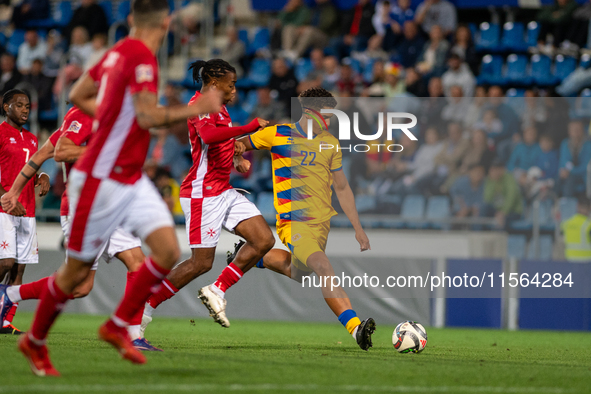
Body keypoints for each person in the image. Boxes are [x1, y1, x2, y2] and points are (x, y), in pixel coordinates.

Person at [15, 0, 222, 376]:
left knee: (166, 250)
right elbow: (148, 116)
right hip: (99, 178)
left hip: (129, 176)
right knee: (76, 274)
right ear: (167, 21)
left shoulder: (114, 54)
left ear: (130, 19)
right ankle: (34, 340)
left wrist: (113, 116)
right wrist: (196, 108)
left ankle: (118, 324)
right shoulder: (142, 57)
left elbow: (78, 94)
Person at [0, 105, 158, 351]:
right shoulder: (82, 114)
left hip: (109, 204)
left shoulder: (111, 114)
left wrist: (14, 190)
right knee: (79, 286)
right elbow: (59, 152)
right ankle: (11, 294)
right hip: (82, 208)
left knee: (137, 263)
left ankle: (133, 335)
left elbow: (40, 155)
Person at [231, 87, 375, 351]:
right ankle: (355, 327)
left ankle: (252, 255)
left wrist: (359, 228)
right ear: (310, 112)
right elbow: (238, 143)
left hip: (322, 224)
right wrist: (238, 155)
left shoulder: (330, 143)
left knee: (299, 271)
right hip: (294, 222)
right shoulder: (278, 133)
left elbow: (342, 188)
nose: (331, 121)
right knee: (323, 266)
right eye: (328, 115)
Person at [141, 59, 274, 335]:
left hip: (222, 189)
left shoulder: (220, 107)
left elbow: (219, 143)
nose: (234, 90)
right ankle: (145, 307)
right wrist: (247, 128)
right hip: (203, 193)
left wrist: (235, 156)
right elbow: (210, 136)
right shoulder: (197, 104)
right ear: (214, 83)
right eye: (231, 84)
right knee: (200, 262)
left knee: (264, 239)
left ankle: (217, 289)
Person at [0, 90, 50, 334]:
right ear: (5, 106)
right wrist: (6, 199)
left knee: (19, 268)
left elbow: (27, 172)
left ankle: (5, 321)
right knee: (5, 263)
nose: (24, 109)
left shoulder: (31, 138)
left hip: (27, 211)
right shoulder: (0, 133)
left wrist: (42, 176)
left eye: (27, 106)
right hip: (5, 209)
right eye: (19, 105)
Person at [483, 159, 523, 229]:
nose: (496, 171)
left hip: (512, 211)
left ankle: (499, 238)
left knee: (501, 221)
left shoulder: (509, 178)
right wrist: (493, 182)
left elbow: (511, 197)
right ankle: (477, 234)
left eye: (499, 168)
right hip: (496, 210)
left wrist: (503, 212)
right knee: (483, 209)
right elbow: (487, 199)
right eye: (494, 169)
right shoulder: (490, 180)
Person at [558, 120, 591, 197]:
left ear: (583, 130)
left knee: (570, 179)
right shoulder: (565, 143)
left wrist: (571, 171)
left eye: (578, 129)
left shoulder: (588, 145)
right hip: (568, 173)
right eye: (573, 130)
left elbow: (586, 166)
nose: (576, 132)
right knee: (556, 180)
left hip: (583, 175)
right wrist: (563, 171)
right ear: (569, 131)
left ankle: (567, 204)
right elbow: (563, 161)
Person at [561, 196, 591, 262]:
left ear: (577, 206)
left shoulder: (566, 223)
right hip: (587, 263)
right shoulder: (588, 225)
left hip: (570, 261)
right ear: (589, 208)